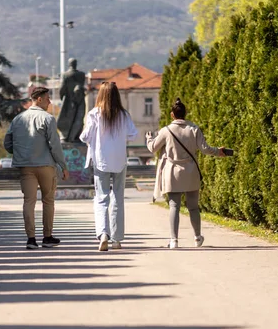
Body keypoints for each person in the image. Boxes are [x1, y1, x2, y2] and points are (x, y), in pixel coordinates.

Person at [146, 98, 226, 249]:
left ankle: (174, 240)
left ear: (172, 115)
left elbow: (153, 148)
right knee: (193, 207)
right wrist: (219, 152)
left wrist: (149, 138)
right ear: (185, 113)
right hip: (191, 172)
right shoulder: (194, 129)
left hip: (172, 172)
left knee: (174, 206)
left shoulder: (166, 131)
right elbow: (205, 149)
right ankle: (197, 237)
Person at [4, 86, 69, 249]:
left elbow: (7, 143)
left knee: (28, 202)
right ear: (39, 99)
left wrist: (19, 151)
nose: (49, 102)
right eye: (47, 98)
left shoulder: (17, 119)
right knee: (48, 201)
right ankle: (47, 237)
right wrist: (63, 165)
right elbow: (55, 145)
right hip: (46, 165)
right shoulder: (48, 118)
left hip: (25, 166)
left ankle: (31, 239)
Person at [80, 81, 138, 251]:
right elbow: (134, 135)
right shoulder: (124, 115)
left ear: (101, 95)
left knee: (101, 198)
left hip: (100, 161)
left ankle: (103, 234)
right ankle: (117, 239)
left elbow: (84, 137)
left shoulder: (94, 114)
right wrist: (120, 137)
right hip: (120, 161)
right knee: (118, 199)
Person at [57, 58, 86, 142]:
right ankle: (76, 136)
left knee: (66, 119)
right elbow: (81, 86)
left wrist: (62, 98)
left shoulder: (65, 74)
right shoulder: (82, 74)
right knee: (78, 118)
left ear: (69, 64)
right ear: (76, 64)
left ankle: (65, 137)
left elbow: (62, 88)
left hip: (68, 100)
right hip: (79, 99)